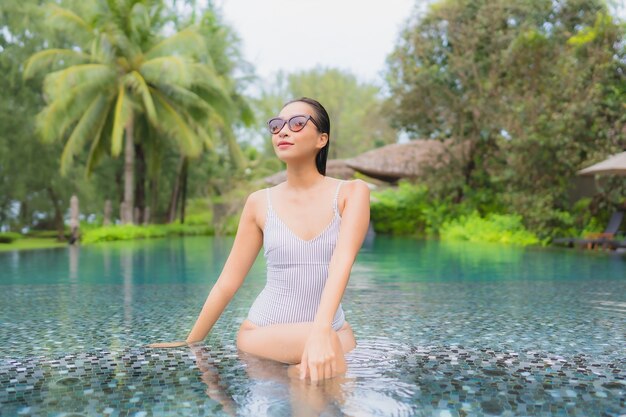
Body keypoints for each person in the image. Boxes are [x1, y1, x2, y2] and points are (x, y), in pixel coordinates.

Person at [149, 97, 371, 382]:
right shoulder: (259, 202)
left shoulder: (352, 193)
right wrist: (191, 342)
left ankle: (298, 376)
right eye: (276, 125)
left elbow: (342, 262)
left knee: (317, 375)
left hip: (332, 332)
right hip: (264, 335)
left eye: (297, 123)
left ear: (321, 139)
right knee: (321, 378)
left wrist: (320, 331)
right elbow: (228, 282)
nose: (283, 131)